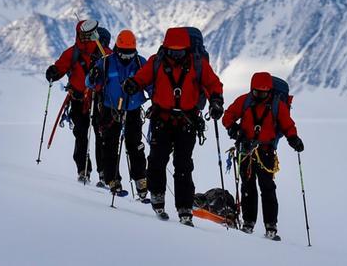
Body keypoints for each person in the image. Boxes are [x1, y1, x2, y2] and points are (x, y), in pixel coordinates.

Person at [122, 27, 224, 226]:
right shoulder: (157, 62)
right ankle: (157, 196)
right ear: (165, 48)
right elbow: (142, 77)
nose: (176, 55)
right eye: (172, 51)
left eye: (179, 51)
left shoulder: (197, 64)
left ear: (187, 49)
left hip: (186, 122)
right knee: (157, 161)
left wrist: (216, 101)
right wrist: (133, 84)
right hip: (163, 119)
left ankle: (184, 208)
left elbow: (213, 84)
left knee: (183, 165)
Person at [222, 72, 304, 241]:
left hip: (265, 152)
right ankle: (248, 223)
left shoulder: (277, 105)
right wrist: (234, 129)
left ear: (270, 91)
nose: (260, 96)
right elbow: (228, 116)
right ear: (252, 89)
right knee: (248, 187)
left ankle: (271, 226)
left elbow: (288, 125)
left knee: (267, 189)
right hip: (246, 151)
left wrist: (294, 139)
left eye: (264, 93)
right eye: (257, 92)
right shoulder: (244, 101)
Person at [45, 19, 111, 183]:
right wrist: (53, 72)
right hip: (82, 100)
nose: (87, 37)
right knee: (83, 135)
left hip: (96, 100)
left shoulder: (100, 53)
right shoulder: (97, 52)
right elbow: (60, 67)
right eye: (85, 34)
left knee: (97, 135)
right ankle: (85, 170)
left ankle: (99, 172)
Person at [87, 30, 150, 200]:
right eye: (123, 53)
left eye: (130, 53)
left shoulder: (140, 62)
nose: (127, 57)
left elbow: (150, 85)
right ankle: (112, 179)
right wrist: (93, 76)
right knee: (109, 145)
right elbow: (91, 83)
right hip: (111, 109)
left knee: (135, 145)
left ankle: (140, 179)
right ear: (117, 48)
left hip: (133, 109)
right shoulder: (106, 63)